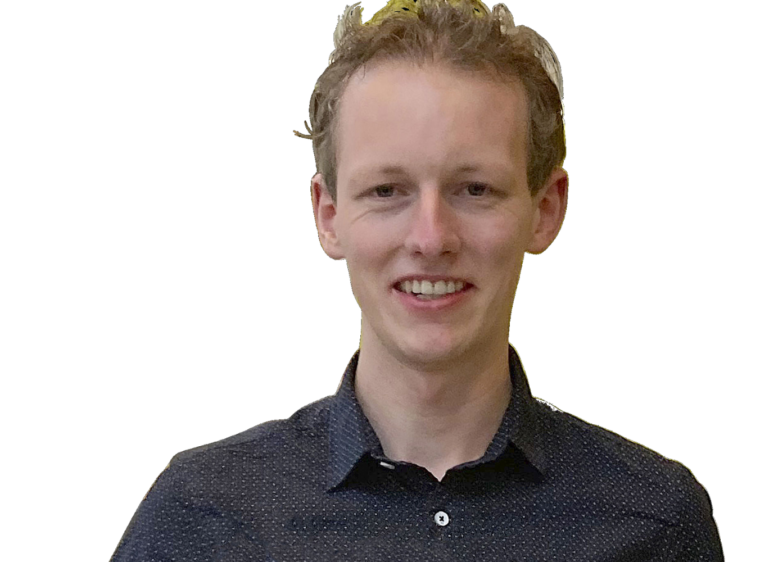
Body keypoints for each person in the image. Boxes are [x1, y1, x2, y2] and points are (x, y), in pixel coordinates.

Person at [110, 0, 724, 559]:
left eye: (474, 189)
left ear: (546, 208)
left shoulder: (656, 524)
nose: (431, 239)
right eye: (387, 191)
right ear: (328, 216)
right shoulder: (201, 520)